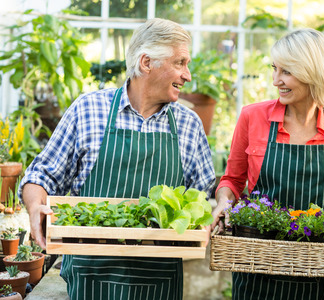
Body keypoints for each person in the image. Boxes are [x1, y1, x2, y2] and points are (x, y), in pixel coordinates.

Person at [19, 18, 215, 300]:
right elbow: (42, 175)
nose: (188, 75)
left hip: (158, 279)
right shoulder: (88, 110)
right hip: (90, 275)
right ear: (147, 63)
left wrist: (212, 210)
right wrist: (35, 204)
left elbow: (205, 193)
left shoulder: (188, 124)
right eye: (180, 62)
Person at [210, 28, 324, 300]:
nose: (276, 81)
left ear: (313, 72)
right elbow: (232, 180)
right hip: (257, 262)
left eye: (286, 72)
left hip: (318, 267)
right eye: (275, 69)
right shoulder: (252, 117)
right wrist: (223, 202)